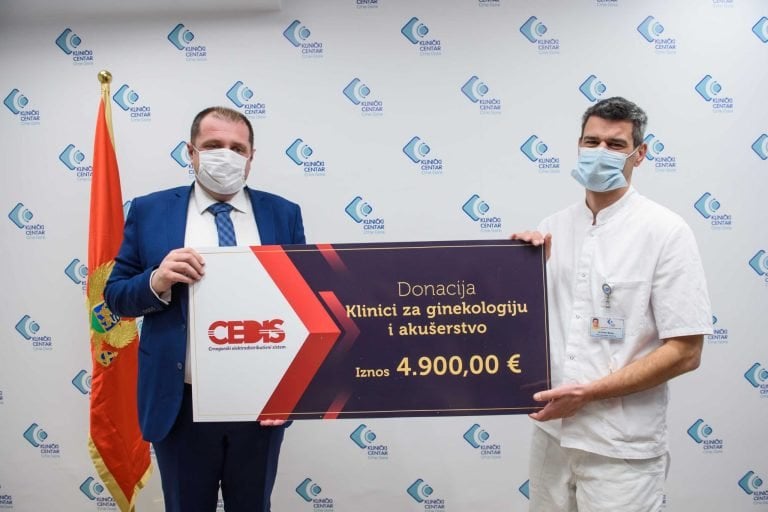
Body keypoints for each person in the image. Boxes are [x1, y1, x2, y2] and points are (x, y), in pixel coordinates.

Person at [511, 97, 712, 512]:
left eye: (616, 145)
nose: (600, 152)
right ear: (578, 146)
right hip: (552, 437)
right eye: (592, 141)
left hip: (621, 447)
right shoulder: (551, 229)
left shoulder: (665, 232)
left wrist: (588, 393)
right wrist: (513, 269)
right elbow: (517, 324)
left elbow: (686, 352)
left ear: (640, 154)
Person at [104, 106, 305, 512]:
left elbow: (304, 306)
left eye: (237, 148)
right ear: (191, 152)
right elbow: (116, 295)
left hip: (260, 402)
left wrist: (292, 389)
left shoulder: (283, 214)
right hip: (180, 403)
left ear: (251, 158)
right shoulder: (150, 211)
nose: (225, 155)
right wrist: (157, 280)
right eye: (213, 145)